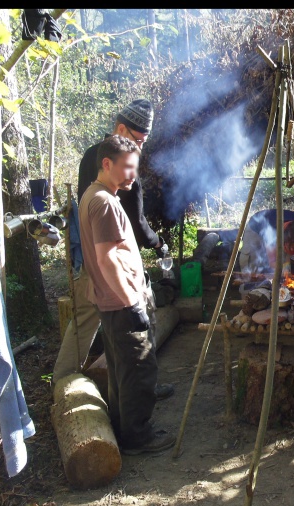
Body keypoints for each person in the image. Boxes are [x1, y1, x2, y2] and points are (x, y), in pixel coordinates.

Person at [53, 99, 173, 403]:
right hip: (116, 263)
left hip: (88, 256)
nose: (141, 149)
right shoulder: (120, 166)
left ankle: (62, 382)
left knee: (84, 322)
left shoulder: (90, 156)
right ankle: (142, 386)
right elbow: (136, 221)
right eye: (140, 140)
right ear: (122, 129)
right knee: (143, 317)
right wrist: (157, 243)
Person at [77, 134, 173, 455]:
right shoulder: (103, 203)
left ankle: (122, 428)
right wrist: (131, 303)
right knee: (138, 368)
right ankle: (137, 436)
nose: (133, 174)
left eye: (135, 167)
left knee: (122, 370)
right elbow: (107, 260)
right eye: (128, 168)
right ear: (107, 164)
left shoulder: (96, 195)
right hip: (120, 301)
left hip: (111, 301)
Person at [238, 208, 294, 276]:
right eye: (291, 247)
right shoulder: (271, 233)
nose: (293, 250)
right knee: (253, 262)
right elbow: (272, 262)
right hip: (255, 228)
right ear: (285, 240)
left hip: (279, 227)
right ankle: (247, 285)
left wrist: (290, 266)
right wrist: (283, 269)